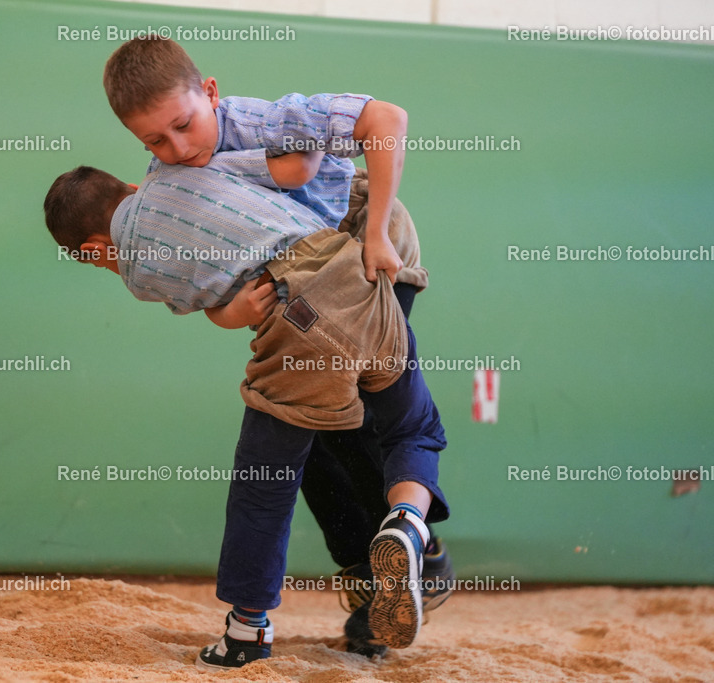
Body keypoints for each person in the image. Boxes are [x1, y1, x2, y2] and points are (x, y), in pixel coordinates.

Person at [101, 36, 455, 655]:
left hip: (367, 258)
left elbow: (386, 120)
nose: (178, 149)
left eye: (184, 125)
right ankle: (380, 571)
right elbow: (206, 281)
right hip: (300, 296)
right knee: (310, 435)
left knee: (354, 421)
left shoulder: (268, 121)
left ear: (209, 92)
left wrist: (374, 233)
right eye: (155, 141)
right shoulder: (168, 180)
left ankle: (418, 555)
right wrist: (229, 310)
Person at [43, 156, 448, 669]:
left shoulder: (180, 182)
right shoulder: (175, 178)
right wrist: (230, 311)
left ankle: (397, 566)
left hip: (367, 240)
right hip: (331, 273)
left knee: (298, 449)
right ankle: (395, 550)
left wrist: (226, 313)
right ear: (128, 184)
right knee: (348, 428)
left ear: (92, 250)